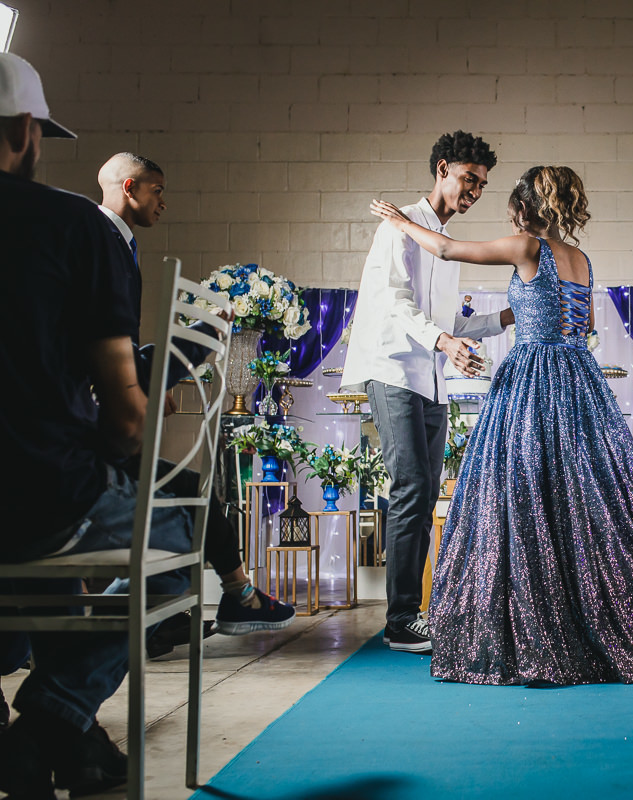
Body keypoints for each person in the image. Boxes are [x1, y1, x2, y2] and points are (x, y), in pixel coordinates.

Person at [370, 164, 633, 685]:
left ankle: (531, 623)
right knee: (583, 499)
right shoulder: (581, 259)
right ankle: (594, 613)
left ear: (525, 210)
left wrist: (399, 222)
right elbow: (584, 323)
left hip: (533, 376)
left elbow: (451, 250)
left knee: (518, 497)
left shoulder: (526, 247)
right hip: (579, 378)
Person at [0, 52, 188, 797]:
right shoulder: (73, 226)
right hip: (41, 487)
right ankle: (53, 717)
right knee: (171, 537)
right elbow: (127, 411)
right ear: (25, 130)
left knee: (64, 585)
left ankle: (81, 748)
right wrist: (116, 457)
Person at [96, 152, 295, 642]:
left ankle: (201, 606)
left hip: (111, 400)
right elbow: (92, 336)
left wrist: (142, 381)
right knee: (188, 507)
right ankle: (203, 604)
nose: (163, 201)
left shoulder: (119, 243)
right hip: (86, 435)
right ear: (129, 187)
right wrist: (183, 349)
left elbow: (109, 341)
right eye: (156, 190)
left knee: (196, 494)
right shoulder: (98, 239)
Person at [341, 131, 514, 654]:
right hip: (393, 369)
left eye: (482, 184)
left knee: (425, 493)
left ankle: (413, 613)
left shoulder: (444, 242)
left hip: (431, 380)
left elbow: (453, 318)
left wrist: (507, 316)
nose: (475, 191)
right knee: (412, 490)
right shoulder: (400, 228)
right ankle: (400, 621)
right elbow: (394, 301)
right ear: (443, 168)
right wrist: (443, 340)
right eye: (469, 179)